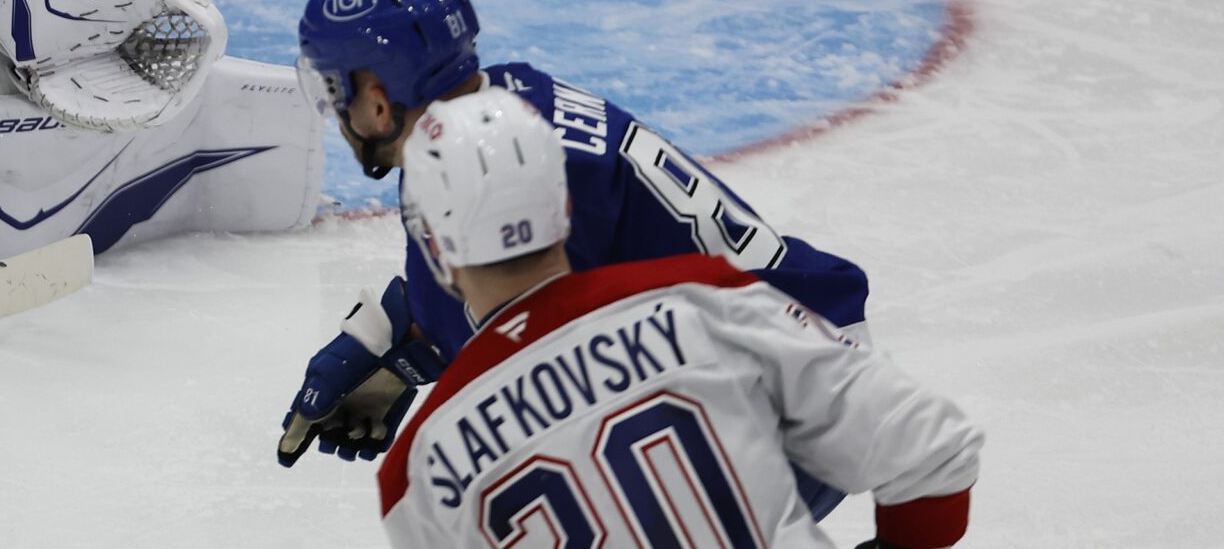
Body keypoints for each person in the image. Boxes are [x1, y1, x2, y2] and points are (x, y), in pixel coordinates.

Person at [278, 0, 872, 517]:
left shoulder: (493, 170)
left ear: (379, 103)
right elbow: (537, 290)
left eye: (336, 90)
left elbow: (536, 354)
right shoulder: (501, 115)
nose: (336, 112)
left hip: (782, 395)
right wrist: (396, 340)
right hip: (790, 350)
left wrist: (418, 362)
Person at [377, 89, 982, 549]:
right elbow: (934, 451)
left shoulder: (419, 467)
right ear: (564, 206)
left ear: (435, 248)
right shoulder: (707, 301)